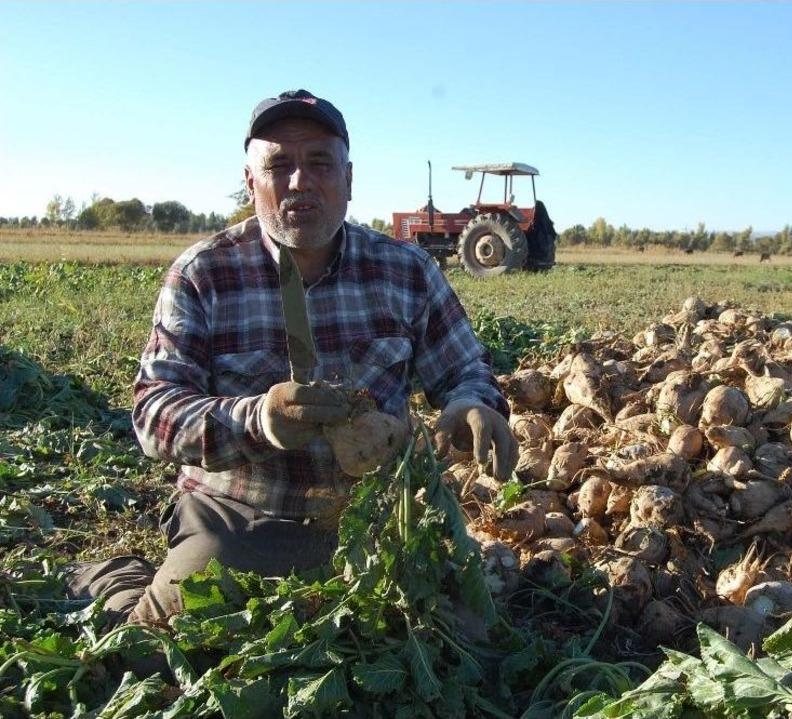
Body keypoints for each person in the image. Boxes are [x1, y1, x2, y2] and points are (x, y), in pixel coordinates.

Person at [68, 89, 518, 625]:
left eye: (320, 163)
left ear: (349, 179)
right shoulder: (203, 274)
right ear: (250, 180)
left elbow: (466, 367)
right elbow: (154, 416)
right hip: (240, 519)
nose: (301, 181)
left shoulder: (407, 271)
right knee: (158, 654)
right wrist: (256, 420)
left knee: (469, 642)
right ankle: (116, 580)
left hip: (377, 520)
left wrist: (472, 403)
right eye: (279, 165)